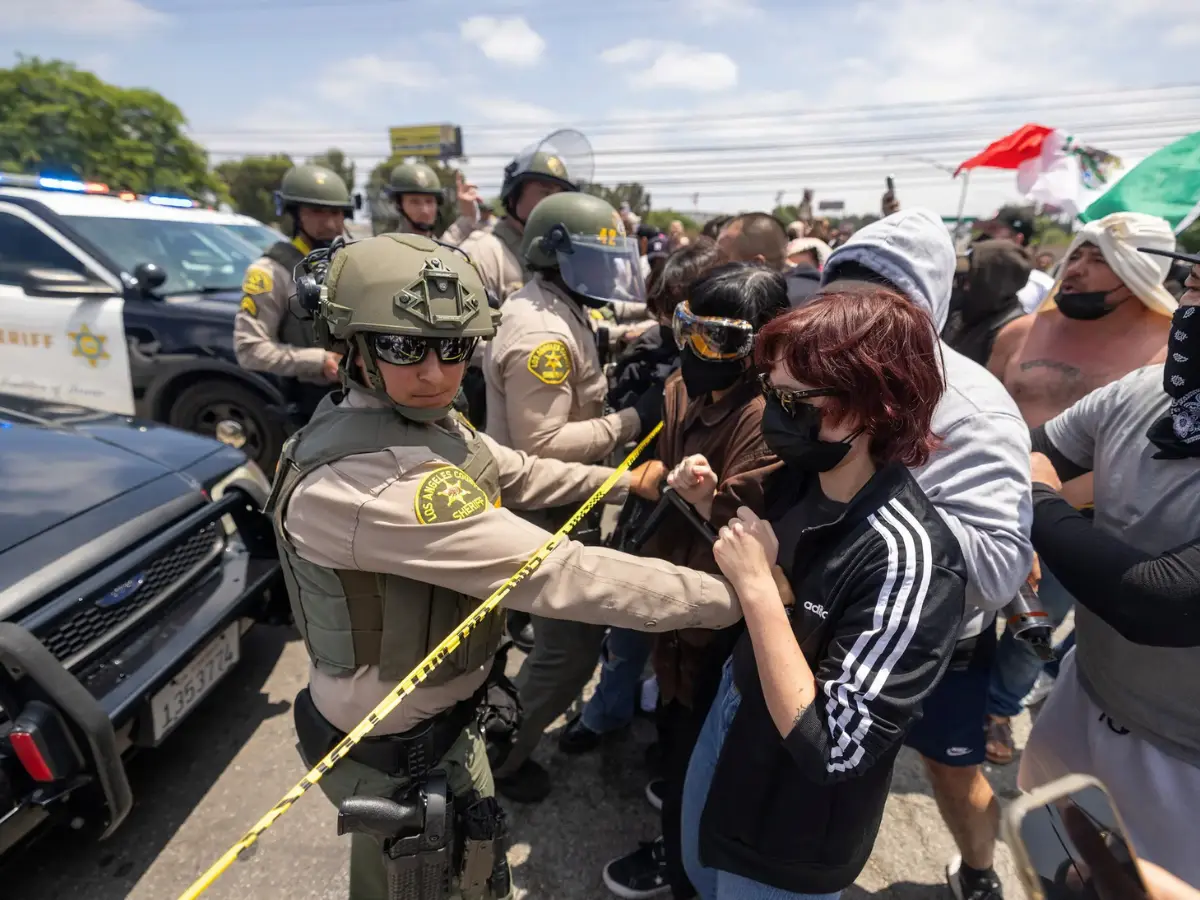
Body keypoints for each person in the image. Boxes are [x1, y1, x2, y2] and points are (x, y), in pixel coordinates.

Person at [269, 232, 750, 900]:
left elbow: (514, 468)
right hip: (397, 760)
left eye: (455, 346)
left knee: (478, 877)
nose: (436, 371)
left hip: (444, 732)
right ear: (353, 347)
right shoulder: (370, 482)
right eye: (405, 346)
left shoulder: (414, 419)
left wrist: (625, 483)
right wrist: (740, 595)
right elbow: (561, 574)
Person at [670, 285, 967, 899]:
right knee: (698, 873)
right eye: (770, 391)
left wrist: (757, 588)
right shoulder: (801, 475)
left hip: (794, 821)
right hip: (735, 714)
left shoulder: (910, 560)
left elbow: (832, 743)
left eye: (794, 400)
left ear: (873, 408)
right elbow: (750, 547)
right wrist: (709, 506)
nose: (775, 413)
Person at [821, 208, 1032, 900]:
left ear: (920, 312)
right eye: (833, 298)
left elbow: (1000, 568)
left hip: (939, 645)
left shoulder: (974, 407)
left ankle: (978, 869)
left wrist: (879, 485)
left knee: (951, 771)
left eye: (871, 303)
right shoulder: (822, 366)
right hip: (830, 618)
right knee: (826, 758)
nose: (845, 319)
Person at [601, 263, 790, 900]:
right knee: (674, 717)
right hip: (671, 589)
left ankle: (680, 862)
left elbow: (741, 518)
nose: (695, 351)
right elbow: (670, 464)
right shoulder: (684, 383)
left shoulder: (767, 419)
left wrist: (701, 494)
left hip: (718, 613)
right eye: (690, 329)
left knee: (701, 750)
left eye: (720, 340)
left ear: (761, 348)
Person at [1016, 248, 1200, 887]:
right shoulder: (1146, 394)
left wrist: (1039, 505)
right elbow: (1032, 454)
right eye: (1196, 287)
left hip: (1187, 767)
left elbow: (1162, 601)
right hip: (1085, 699)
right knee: (1061, 872)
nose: (1195, 312)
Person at [483, 192, 661, 802]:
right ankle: (500, 763)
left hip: (548, 505)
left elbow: (583, 339)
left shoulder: (555, 308)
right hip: (547, 507)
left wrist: (633, 332)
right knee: (567, 654)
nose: (607, 276)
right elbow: (546, 443)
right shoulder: (542, 336)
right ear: (555, 257)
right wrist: (633, 420)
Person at [981, 212, 1177, 767]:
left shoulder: (1168, 355)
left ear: (1138, 273)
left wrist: (1048, 512)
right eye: (1078, 256)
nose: (1078, 269)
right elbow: (981, 411)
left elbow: (1142, 451)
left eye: (1100, 260)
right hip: (993, 500)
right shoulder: (1022, 331)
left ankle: (997, 710)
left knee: (1031, 629)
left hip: (1080, 524)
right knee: (965, 609)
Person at [233, 163, 353, 424]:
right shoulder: (271, 271)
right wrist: (319, 361)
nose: (331, 223)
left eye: (337, 213)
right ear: (295, 215)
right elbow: (249, 350)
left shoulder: (350, 262)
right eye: (317, 212)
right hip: (312, 406)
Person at [458, 144, 578, 304]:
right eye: (545, 192)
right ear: (514, 196)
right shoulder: (482, 254)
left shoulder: (557, 255)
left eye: (560, 195)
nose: (554, 203)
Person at [940, 241, 1032, 367]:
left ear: (992, 282)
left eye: (970, 277)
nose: (962, 285)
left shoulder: (1010, 332)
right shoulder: (966, 312)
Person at [717, 213, 818, 308]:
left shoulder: (791, 309)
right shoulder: (817, 289)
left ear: (756, 264)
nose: (713, 265)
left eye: (721, 258)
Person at [973, 207, 1055, 314]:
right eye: (986, 229)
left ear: (1017, 239)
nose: (985, 236)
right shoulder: (970, 277)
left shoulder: (1043, 286)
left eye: (993, 229)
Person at [381, 162, 480, 244]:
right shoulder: (386, 250)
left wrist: (468, 206)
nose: (425, 210)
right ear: (399, 205)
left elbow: (464, 226)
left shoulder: (442, 249)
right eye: (414, 202)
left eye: (429, 201)